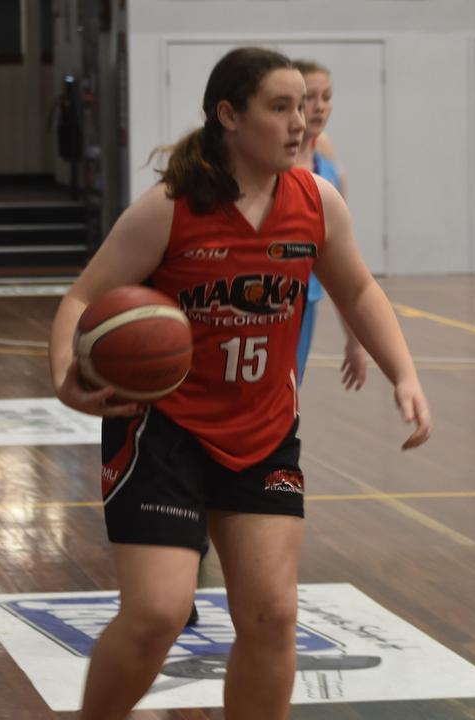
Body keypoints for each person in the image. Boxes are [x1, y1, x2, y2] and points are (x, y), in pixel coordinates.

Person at [49, 47, 431, 720]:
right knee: (158, 615)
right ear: (229, 116)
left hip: (261, 429)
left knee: (273, 617)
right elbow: (81, 299)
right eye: (279, 108)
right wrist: (64, 377)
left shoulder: (317, 203)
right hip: (163, 429)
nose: (299, 122)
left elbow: (359, 288)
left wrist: (404, 372)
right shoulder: (169, 209)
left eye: (304, 108)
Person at [291, 59, 368, 391]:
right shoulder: (267, 161)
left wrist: (355, 339)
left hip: (306, 301)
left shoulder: (328, 160)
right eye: (311, 97)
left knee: (289, 402)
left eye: (327, 97)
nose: (320, 107)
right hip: (265, 302)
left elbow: (341, 263)